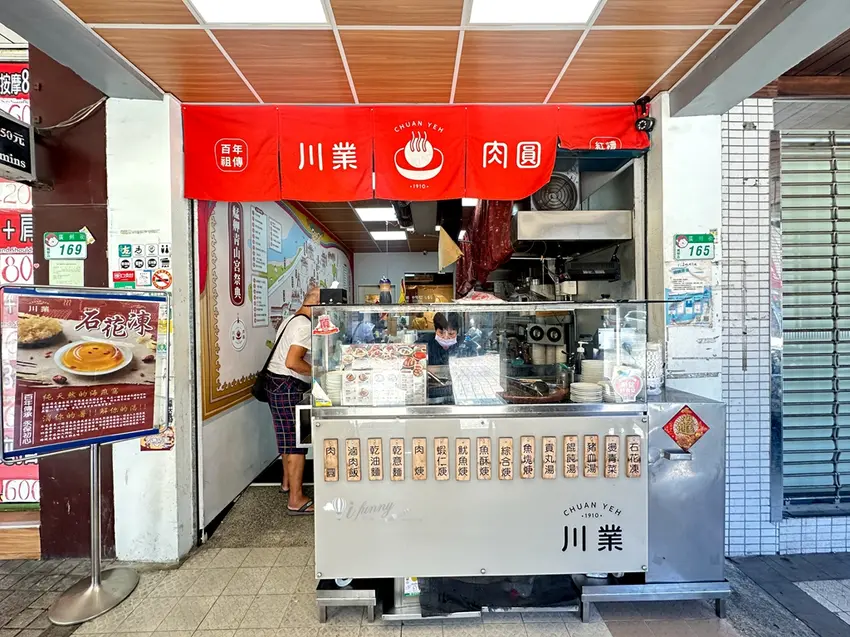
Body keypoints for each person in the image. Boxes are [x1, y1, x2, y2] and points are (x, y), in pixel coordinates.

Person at [266, 286, 319, 516]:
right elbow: (293, 362)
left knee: (286, 439)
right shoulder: (304, 326)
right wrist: (318, 372)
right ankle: (296, 500)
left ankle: (287, 483)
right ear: (316, 304)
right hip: (288, 385)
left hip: (274, 383)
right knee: (297, 443)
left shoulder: (290, 319)